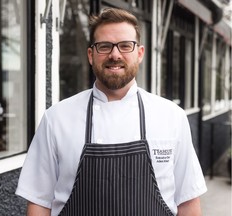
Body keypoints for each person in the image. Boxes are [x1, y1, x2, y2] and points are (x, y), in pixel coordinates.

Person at [16, 8, 207, 216]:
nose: (115, 55)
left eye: (125, 46)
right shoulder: (56, 119)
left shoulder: (172, 117)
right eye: (105, 46)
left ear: (140, 53)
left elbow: (188, 202)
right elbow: (39, 203)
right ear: (91, 55)